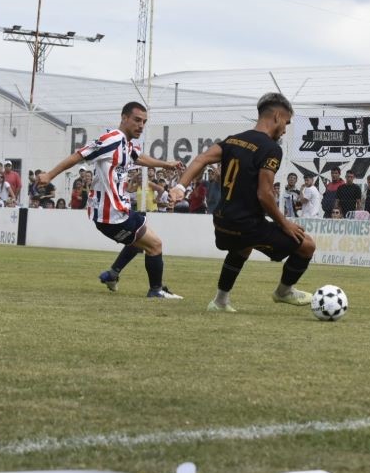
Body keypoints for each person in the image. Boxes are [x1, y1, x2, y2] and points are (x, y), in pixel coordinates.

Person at [169, 92, 316, 313]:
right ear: (276, 115)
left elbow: (201, 159)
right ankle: (284, 292)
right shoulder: (271, 148)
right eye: (286, 123)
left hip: (222, 221)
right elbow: (264, 194)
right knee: (306, 245)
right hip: (246, 224)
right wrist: (286, 224)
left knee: (242, 247)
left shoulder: (232, 140)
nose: (285, 129)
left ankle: (219, 301)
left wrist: (180, 187)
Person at [38, 101, 183, 299]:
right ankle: (155, 290)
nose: (141, 125)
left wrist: (166, 164)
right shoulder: (111, 139)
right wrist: (49, 175)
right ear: (124, 118)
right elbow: (79, 155)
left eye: (144, 122)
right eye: (137, 120)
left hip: (118, 211)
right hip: (112, 215)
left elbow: (139, 158)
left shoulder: (126, 144)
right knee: (155, 245)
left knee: (138, 242)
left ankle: (112, 274)